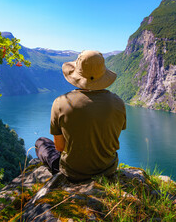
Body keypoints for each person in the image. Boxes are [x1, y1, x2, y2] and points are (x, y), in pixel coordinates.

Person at [35, 50, 126, 182]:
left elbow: (59, 147)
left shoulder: (60, 103)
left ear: (76, 74)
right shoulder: (118, 102)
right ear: (103, 74)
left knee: (41, 142)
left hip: (72, 172)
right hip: (107, 170)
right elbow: (111, 138)